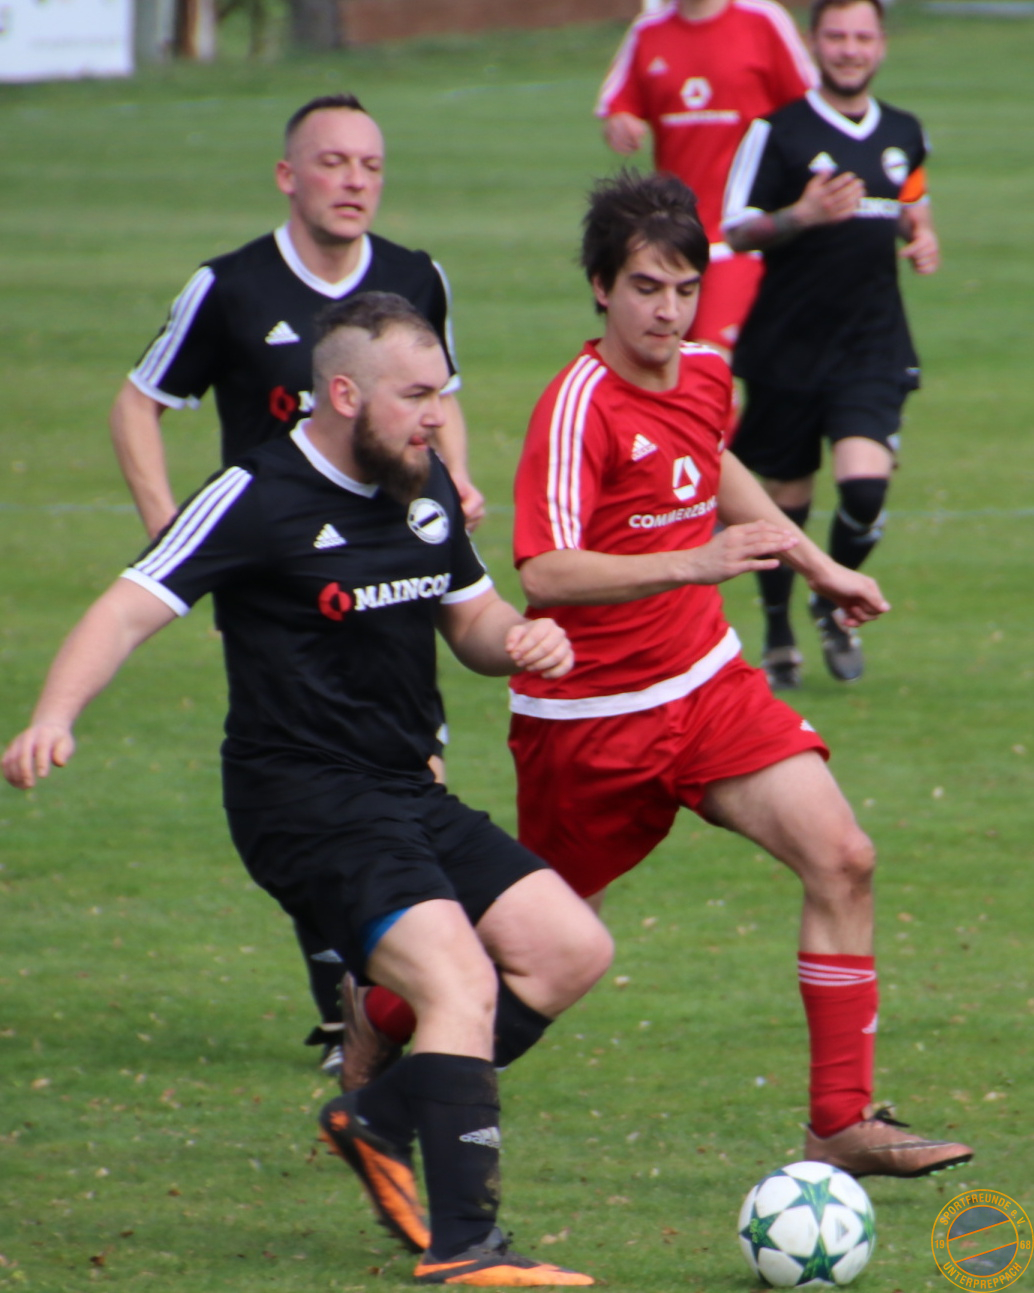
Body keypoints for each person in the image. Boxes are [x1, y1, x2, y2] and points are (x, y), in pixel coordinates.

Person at [4, 293, 611, 1287]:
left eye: (440, 392)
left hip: (404, 787)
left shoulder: (420, 484)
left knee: (569, 950)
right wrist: (53, 717)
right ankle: (466, 1247)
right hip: (303, 801)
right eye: (415, 395)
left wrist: (521, 640)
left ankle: (375, 1118)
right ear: (343, 393)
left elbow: (472, 620)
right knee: (458, 983)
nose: (435, 416)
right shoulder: (255, 492)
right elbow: (124, 609)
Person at [505, 169, 971, 1179]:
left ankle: (839, 1121)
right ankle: (381, 1019)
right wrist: (694, 561)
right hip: (592, 717)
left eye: (684, 289)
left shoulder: (705, 372)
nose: (666, 312)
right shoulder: (576, 407)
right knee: (534, 942)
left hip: (706, 687)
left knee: (842, 856)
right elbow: (543, 570)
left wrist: (817, 564)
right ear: (600, 287)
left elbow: (713, 462)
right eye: (644, 288)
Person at [110, 92, 486, 1074]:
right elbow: (138, 403)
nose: (353, 181)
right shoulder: (230, 287)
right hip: (278, 576)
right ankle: (358, 1000)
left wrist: (455, 482)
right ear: (288, 176)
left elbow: (439, 396)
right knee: (312, 766)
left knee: (412, 762)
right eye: (331, 162)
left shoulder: (416, 277)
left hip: (391, 563)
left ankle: (376, 999)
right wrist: (174, 536)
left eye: (370, 164)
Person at [722, 0, 938, 688]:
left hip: (873, 343)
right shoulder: (777, 131)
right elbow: (735, 229)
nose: (850, 49)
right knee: (782, 499)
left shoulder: (904, 131)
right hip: (788, 345)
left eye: (862, 36)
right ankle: (779, 628)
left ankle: (831, 601)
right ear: (815, 43)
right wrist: (803, 214)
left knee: (865, 487)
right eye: (837, 36)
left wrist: (922, 235)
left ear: (881, 45)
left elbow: (910, 203)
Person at [595, 0, 816, 357]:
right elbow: (618, 106)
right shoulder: (649, 31)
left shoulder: (762, 20)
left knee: (709, 360)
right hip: (675, 239)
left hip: (742, 235)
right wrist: (620, 123)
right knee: (671, 362)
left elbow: (811, 110)